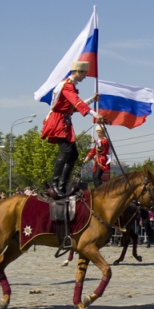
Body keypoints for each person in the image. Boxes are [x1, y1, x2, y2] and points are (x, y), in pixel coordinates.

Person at [40, 60, 102, 249]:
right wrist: (93, 113)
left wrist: (91, 100)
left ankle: (62, 184)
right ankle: (56, 183)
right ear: (77, 71)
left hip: (65, 121)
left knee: (73, 154)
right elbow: (76, 103)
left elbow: (74, 106)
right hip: (58, 121)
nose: (85, 77)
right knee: (66, 151)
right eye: (83, 74)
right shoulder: (67, 86)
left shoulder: (71, 87)